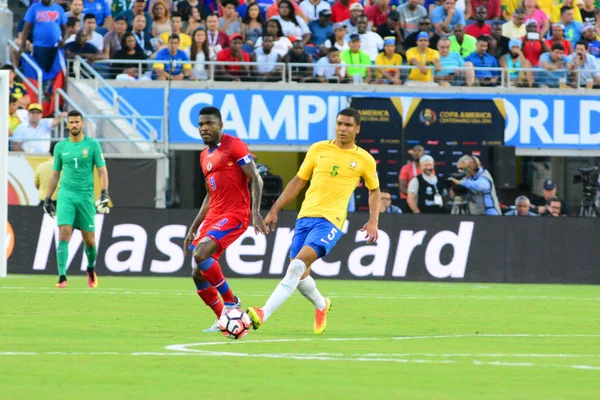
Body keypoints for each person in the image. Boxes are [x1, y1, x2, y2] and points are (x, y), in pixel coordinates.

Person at [246, 108, 380, 334]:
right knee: (299, 274)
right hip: (305, 217)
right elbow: (298, 181)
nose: (342, 129)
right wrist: (275, 209)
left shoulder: (364, 159)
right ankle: (322, 304)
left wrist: (373, 220)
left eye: (348, 125)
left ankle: (262, 313)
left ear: (357, 129)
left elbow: (374, 190)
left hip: (331, 221)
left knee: (297, 266)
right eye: (339, 124)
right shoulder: (318, 149)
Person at [183, 106, 267, 332]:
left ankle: (231, 304)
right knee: (198, 274)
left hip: (235, 214)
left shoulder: (234, 145)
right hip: (213, 215)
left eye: (209, 123)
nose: (204, 128)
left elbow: (255, 178)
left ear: (220, 125)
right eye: (201, 124)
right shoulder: (203, 156)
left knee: (200, 254)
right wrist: (194, 226)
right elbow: (210, 195)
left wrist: (255, 211)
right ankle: (223, 318)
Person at [42, 110, 110, 288]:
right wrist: (48, 198)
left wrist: (104, 192)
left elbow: (102, 170)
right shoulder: (60, 147)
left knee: (89, 240)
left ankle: (90, 268)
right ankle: (62, 277)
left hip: (86, 196)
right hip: (66, 195)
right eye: (71, 122)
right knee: (64, 233)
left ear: (82, 124)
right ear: (67, 125)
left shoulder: (93, 145)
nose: (74, 125)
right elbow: (55, 174)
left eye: (76, 122)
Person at [20, 0, 67, 73]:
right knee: (40, 71)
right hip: (39, 46)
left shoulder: (59, 8)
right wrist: (22, 45)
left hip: (55, 46)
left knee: (54, 72)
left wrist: (63, 40)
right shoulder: (34, 8)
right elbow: (26, 28)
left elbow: (65, 29)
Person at [398, 145, 424, 212]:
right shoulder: (406, 168)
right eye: (415, 151)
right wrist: (413, 196)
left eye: (419, 151)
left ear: (424, 153)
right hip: (407, 199)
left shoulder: (428, 169)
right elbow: (402, 187)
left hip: (423, 200)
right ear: (412, 153)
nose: (417, 153)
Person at [34, 142, 59, 206]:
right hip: (61, 203)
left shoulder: (41, 166)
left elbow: (37, 185)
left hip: (44, 202)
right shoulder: (66, 168)